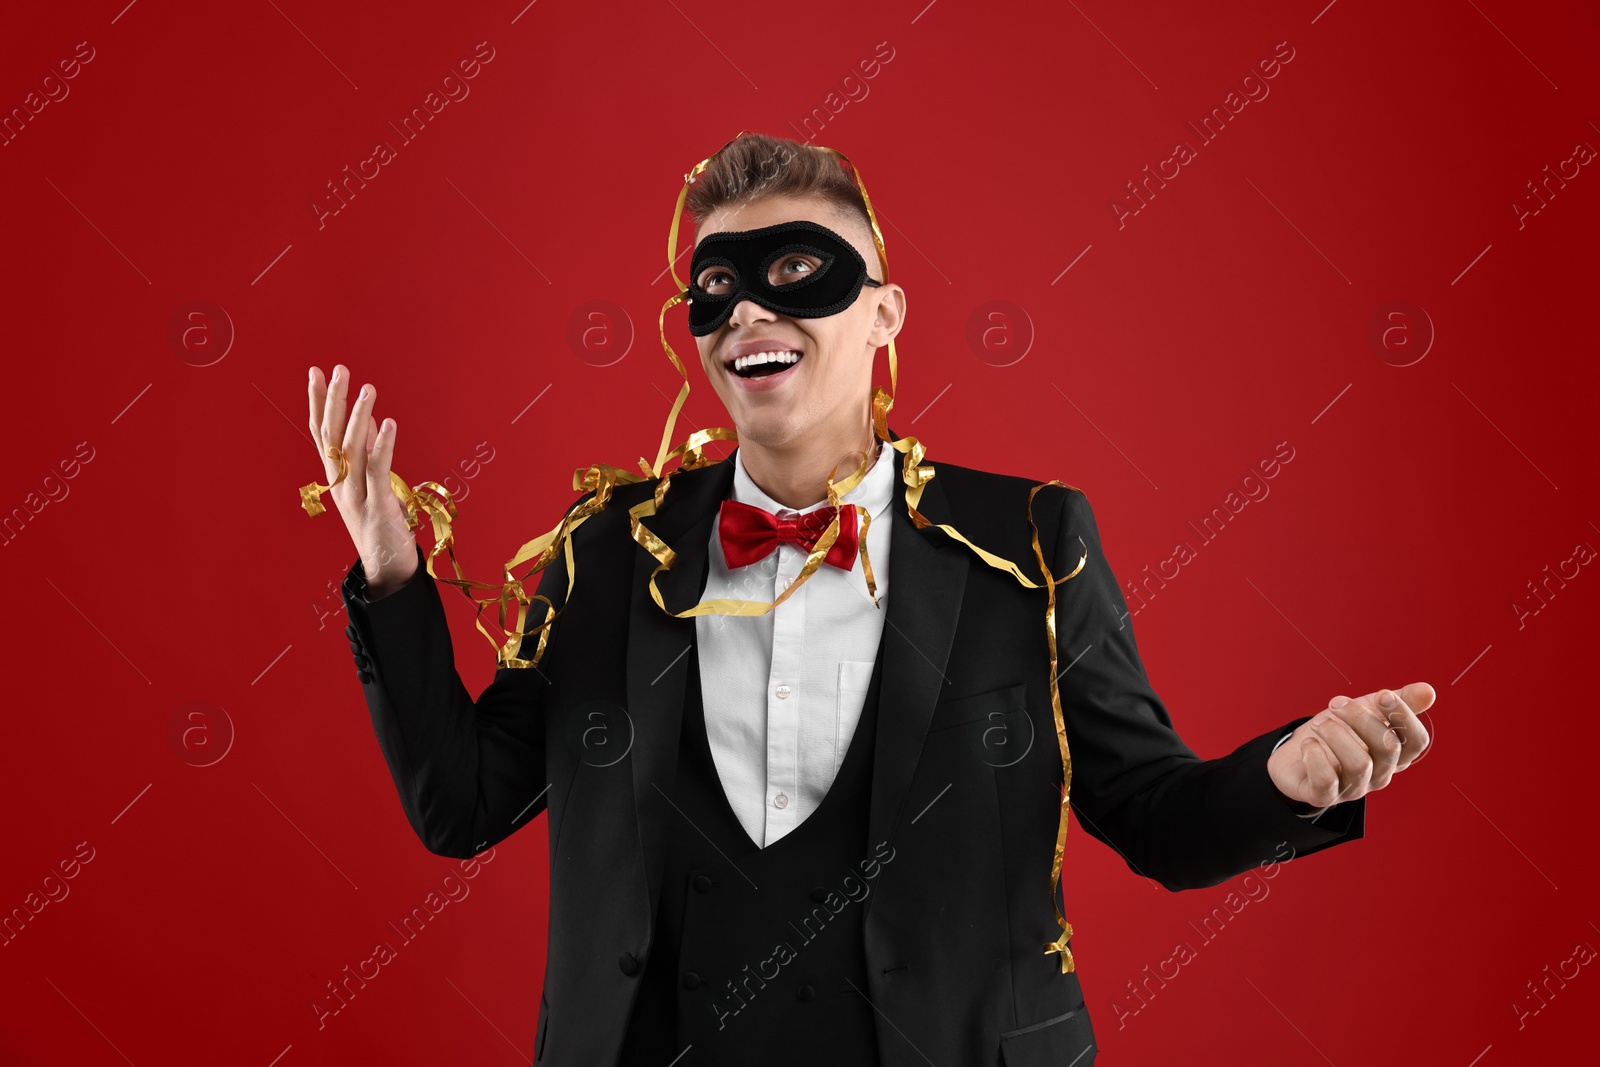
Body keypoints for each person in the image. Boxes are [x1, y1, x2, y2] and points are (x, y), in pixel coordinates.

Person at [304, 132, 1434, 1067]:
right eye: (715, 287)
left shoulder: (1030, 540)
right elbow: (463, 806)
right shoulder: (612, 549)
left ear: (885, 314)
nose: (747, 310)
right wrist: (395, 575)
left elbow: (1155, 819)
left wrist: (1290, 776)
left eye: (796, 273)